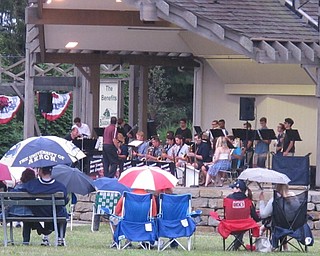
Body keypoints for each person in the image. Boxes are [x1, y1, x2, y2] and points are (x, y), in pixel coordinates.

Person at [19, 166, 68, 246]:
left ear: (40, 171)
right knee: (61, 211)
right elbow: (64, 201)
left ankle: (30, 240)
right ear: (51, 172)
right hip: (54, 214)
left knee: (34, 209)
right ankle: (60, 238)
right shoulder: (60, 187)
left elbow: (18, 192)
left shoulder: (31, 185)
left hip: (37, 214)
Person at [259, 184, 297, 250]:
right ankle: (285, 246)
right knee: (282, 222)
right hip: (294, 225)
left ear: (276, 188)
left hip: (278, 226)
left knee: (278, 223)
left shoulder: (274, 200)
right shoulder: (294, 198)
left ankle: (270, 244)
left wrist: (261, 201)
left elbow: (263, 214)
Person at [227, 180, 260, 250]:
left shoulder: (228, 199)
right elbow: (255, 218)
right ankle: (238, 242)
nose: (232, 189)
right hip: (244, 226)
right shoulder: (248, 201)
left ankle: (238, 242)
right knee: (243, 222)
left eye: (233, 188)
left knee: (238, 221)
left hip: (229, 225)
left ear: (238, 189)